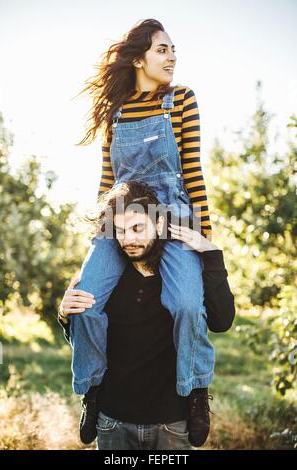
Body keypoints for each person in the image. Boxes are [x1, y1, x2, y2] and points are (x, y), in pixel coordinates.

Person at [68, 18, 216, 447]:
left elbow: (193, 173)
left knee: (187, 303)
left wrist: (206, 242)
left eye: (173, 50)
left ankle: (195, 390)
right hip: (121, 219)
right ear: (139, 59)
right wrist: (97, 244)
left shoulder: (182, 100)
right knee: (87, 302)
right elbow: (106, 180)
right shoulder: (115, 111)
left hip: (176, 218)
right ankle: (93, 391)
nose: (172, 57)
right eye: (162, 50)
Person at [59, 181, 235, 450]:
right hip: (112, 420)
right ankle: (90, 398)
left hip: (172, 422)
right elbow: (86, 337)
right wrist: (64, 314)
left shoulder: (183, 278)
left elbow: (222, 322)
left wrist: (210, 253)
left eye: (138, 228)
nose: (128, 239)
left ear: (159, 224)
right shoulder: (105, 279)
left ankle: (197, 396)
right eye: (120, 231)